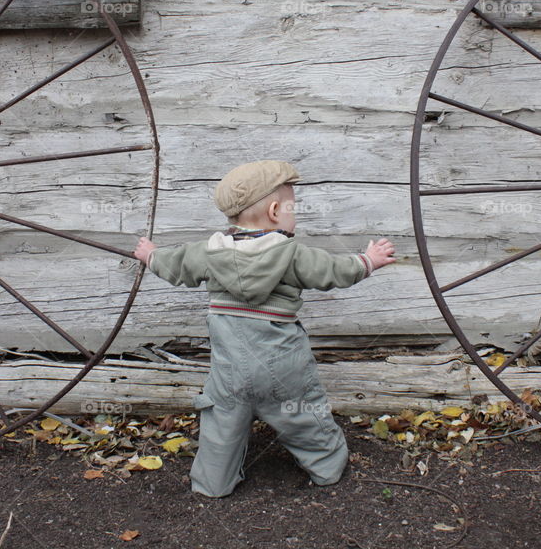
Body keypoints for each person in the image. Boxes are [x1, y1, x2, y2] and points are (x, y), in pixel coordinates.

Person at [133, 160, 396, 497]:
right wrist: (368, 260)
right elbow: (334, 271)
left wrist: (151, 254)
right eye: (292, 209)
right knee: (303, 414)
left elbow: (175, 265)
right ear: (275, 211)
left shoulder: (209, 252)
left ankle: (212, 484)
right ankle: (327, 468)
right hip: (283, 368)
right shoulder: (293, 255)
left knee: (222, 424)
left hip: (230, 372)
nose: (294, 216)